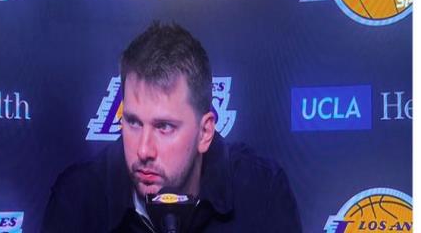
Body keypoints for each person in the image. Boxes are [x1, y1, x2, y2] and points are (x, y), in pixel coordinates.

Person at [42, 22, 302, 232]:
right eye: (133, 122)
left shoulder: (262, 193)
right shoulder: (77, 198)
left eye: (164, 127)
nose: (143, 150)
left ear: (205, 132)